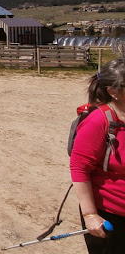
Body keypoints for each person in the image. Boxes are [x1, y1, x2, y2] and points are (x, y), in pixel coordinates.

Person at [71, 58, 125, 253]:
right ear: (113, 92)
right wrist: (90, 215)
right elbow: (79, 168)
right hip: (111, 217)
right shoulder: (98, 120)